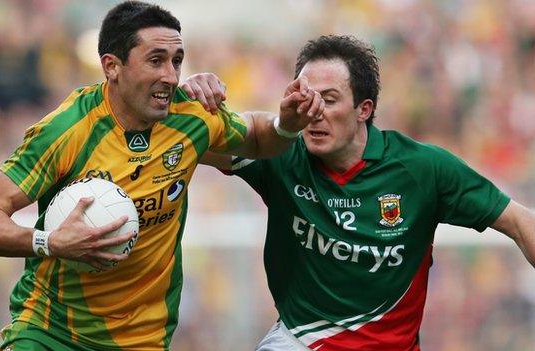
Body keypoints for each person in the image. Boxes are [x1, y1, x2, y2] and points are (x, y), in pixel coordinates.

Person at [0, 2, 326, 350]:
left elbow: (259, 138)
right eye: (155, 60)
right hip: (49, 331)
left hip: (141, 338)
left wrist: (287, 124)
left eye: (176, 61)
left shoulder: (191, 117)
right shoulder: (66, 130)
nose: (170, 75)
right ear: (111, 66)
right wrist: (50, 242)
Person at [190, 35, 535, 350]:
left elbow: (520, 221)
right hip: (299, 342)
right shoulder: (278, 151)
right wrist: (188, 100)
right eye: (305, 98)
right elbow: (188, 141)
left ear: (363, 109)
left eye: (328, 99)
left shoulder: (422, 169)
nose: (313, 112)